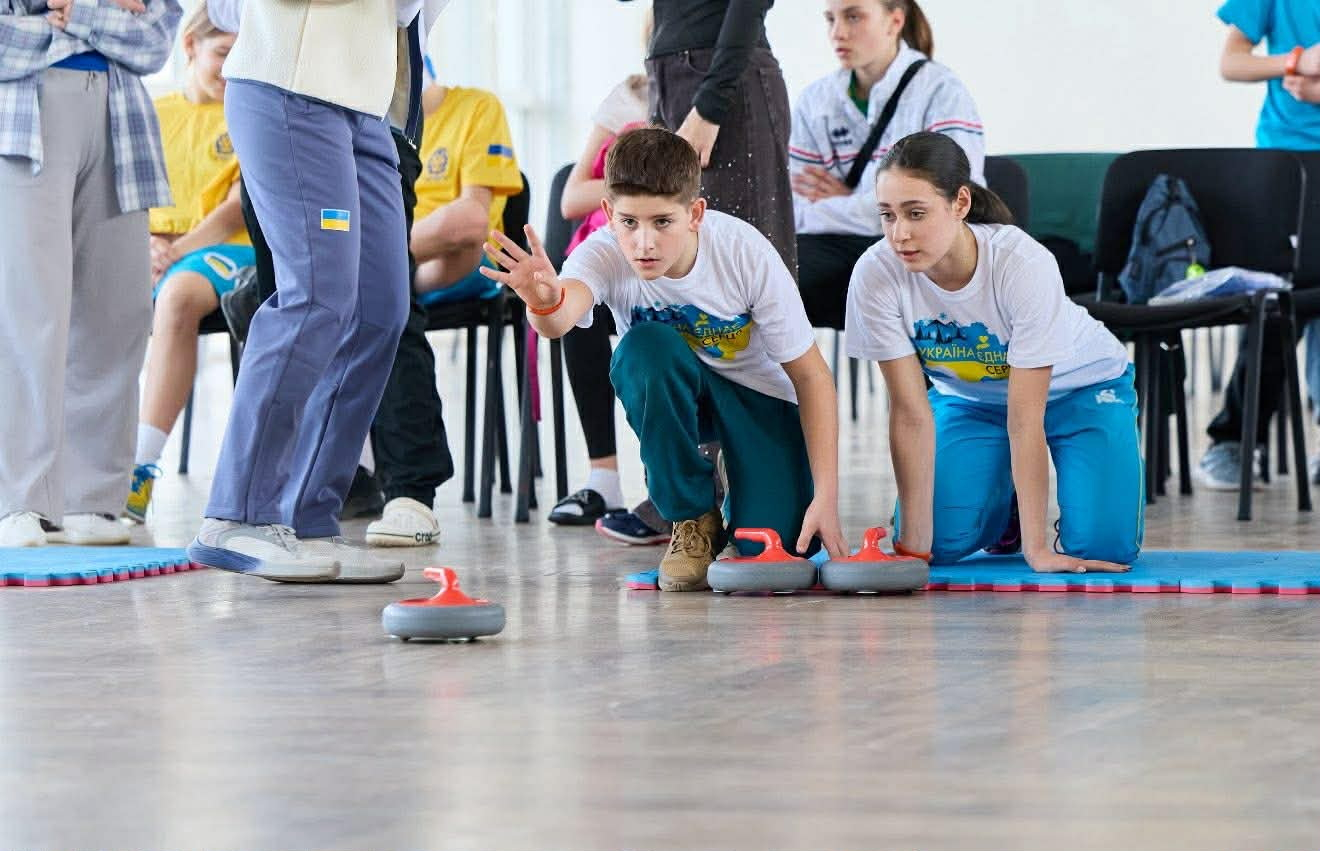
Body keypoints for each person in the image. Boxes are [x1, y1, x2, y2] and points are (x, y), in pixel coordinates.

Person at [481, 128, 847, 591]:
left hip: (757, 396)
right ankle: (692, 516)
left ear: (695, 214)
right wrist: (542, 300)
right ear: (608, 214)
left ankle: (743, 485)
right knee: (643, 350)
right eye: (629, 222)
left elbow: (812, 377)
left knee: (776, 549)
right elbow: (560, 319)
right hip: (676, 391)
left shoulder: (744, 252)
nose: (644, 243)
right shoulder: (603, 252)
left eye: (662, 222)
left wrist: (826, 497)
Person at [186, 0, 427, 581]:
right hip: (289, 92)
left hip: (367, 109)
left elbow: (404, 15)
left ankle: (307, 518)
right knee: (315, 298)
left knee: (379, 311)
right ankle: (238, 515)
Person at [847, 132, 1141, 572]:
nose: (899, 234)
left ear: (960, 203)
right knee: (936, 544)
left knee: (1101, 545)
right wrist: (915, 546)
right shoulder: (876, 273)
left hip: (1081, 390)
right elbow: (909, 413)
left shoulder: (1021, 264)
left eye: (916, 213)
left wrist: (1038, 551)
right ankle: (1003, 511)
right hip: (970, 401)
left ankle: (1030, 516)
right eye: (887, 215)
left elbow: (1025, 419)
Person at [0, 0, 182, 547]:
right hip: (22, 117)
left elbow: (156, 38)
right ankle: (20, 500)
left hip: (120, 114)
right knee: (30, 314)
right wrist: (107, 20)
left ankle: (92, 499)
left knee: (118, 311)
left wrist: (77, 14)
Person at [126, 2, 249, 524]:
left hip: (233, 250)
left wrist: (176, 251)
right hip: (154, 250)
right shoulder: (153, 113)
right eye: (223, 53)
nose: (230, 68)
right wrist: (148, 243)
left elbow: (238, 207)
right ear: (191, 46)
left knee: (177, 297)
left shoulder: (249, 113)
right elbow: (124, 191)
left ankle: (139, 469)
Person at [791, 0, 982, 329]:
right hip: (836, 249)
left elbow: (942, 204)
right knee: (771, 276)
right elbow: (793, 208)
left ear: (894, 22)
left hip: (921, 249)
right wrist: (879, 205)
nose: (838, 33)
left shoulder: (941, 91)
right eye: (830, 19)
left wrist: (851, 204)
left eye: (853, 17)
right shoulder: (814, 101)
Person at [1193, 0, 1320, 490]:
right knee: (1276, 302)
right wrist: (1296, 61)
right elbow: (1232, 62)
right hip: (1287, 163)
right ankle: (1235, 441)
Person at [550, 74, 657, 532]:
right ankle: (604, 479)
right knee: (580, 312)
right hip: (609, 249)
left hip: (666, 252)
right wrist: (644, 183)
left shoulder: (709, 100)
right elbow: (572, 197)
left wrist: (621, 185)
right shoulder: (628, 95)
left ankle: (673, 482)